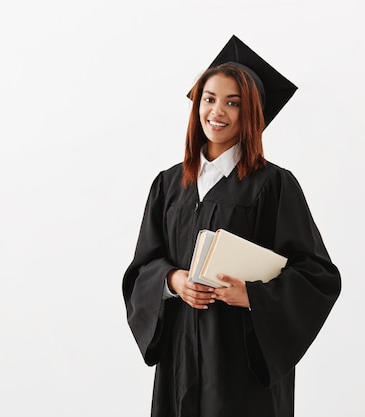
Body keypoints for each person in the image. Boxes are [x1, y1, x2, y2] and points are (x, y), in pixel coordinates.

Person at [122, 35, 341, 417]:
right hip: (180, 361)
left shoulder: (273, 185)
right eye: (209, 98)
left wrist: (253, 296)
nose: (217, 111)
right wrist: (173, 282)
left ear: (251, 112)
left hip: (241, 365)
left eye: (232, 102)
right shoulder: (169, 184)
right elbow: (142, 267)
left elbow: (318, 276)